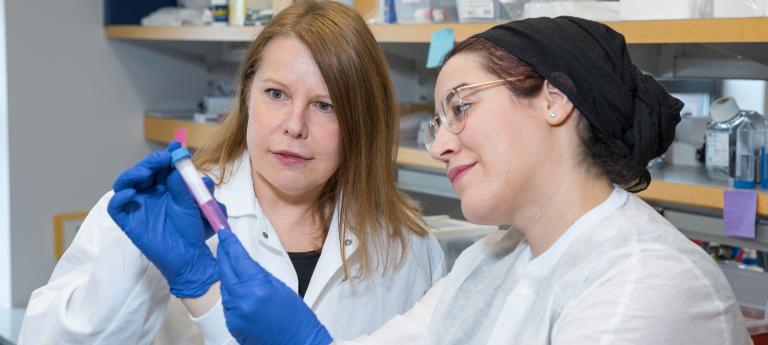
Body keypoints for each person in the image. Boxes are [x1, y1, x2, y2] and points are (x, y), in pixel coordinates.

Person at [209, 16, 752, 345]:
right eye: (438, 123)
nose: (442, 144)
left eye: (461, 107)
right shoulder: (490, 261)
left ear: (555, 100)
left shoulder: (644, 281)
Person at [18, 1, 445, 344]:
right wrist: (134, 263)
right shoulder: (155, 212)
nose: (294, 125)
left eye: (325, 105)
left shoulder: (410, 248)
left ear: (362, 122)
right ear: (246, 98)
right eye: (276, 94)